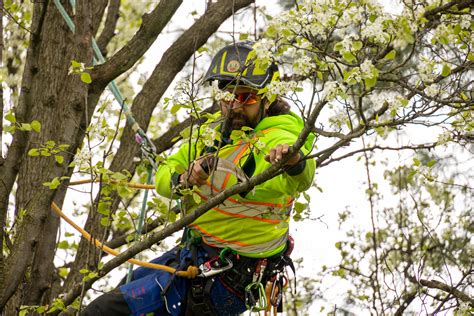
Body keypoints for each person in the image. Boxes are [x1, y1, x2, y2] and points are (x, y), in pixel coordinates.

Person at [82, 41, 315, 316]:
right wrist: (184, 179)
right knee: (121, 290)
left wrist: (291, 160)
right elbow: (164, 176)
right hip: (193, 256)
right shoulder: (210, 135)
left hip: (225, 278)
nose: (234, 106)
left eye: (246, 98)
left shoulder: (280, 136)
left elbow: (299, 178)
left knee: (102, 313)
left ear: (269, 99)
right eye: (227, 97)